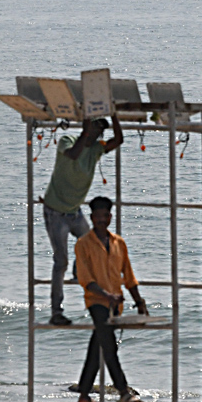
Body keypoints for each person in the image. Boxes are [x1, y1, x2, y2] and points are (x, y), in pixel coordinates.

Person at [42, 116, 123, 325]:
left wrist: (114, 116)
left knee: (93, 243)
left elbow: (119, 140)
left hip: (74, 211)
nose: (97, 132)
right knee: (61, 261)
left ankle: (79, 273)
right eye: (95, 126)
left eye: (99, 130)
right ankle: (56, 312)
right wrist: (85, 131)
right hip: (56, 211)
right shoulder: (68, 140)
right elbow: (73, 154)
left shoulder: (96, 149)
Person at [74, 195, 146, 402]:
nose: (101, 220)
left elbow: (129, 276)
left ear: (110, 217)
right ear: (92, 217)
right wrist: (107, 295)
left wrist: (140, 302)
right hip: (97, 303)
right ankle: (123, 392)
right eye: (97, 216)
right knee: (109, 347)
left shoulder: (118, 243)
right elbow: (86, 279)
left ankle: (84, 394)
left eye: (105, 216)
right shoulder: (83, 244)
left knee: (98, 348)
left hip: (116, 306)